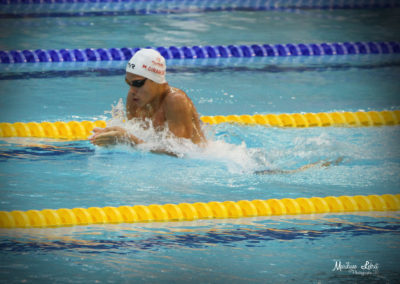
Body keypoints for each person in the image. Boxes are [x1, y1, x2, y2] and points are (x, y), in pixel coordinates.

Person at [89, 49, 206, 151]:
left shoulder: (175, 100)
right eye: (129, 84)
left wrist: (129, 140)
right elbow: (141, 140)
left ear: (155, 79)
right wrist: (114, 136)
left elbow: (181, 152)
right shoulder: (134, 98)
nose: (132, 90)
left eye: (138, 83)